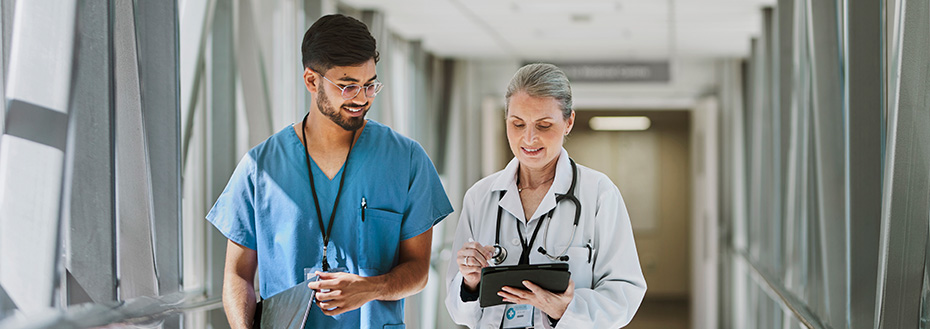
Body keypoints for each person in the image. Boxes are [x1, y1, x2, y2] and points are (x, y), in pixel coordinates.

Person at [207, 14, 453, 329]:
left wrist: (370, 288)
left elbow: (418, 270)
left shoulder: (406, 160)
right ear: (312, 80)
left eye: (369, 85)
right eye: (348, 87)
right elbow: (237, 273)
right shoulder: (261, 167)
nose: (363, 99)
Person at [444, 63, 647, 328]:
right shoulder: (480, 197)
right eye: (518, 124)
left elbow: (624, 296)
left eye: (543, 125)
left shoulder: (599, 194)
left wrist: (567, 309)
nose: (529, 138)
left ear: (568, 122)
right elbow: (460, 313)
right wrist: (471, 283)